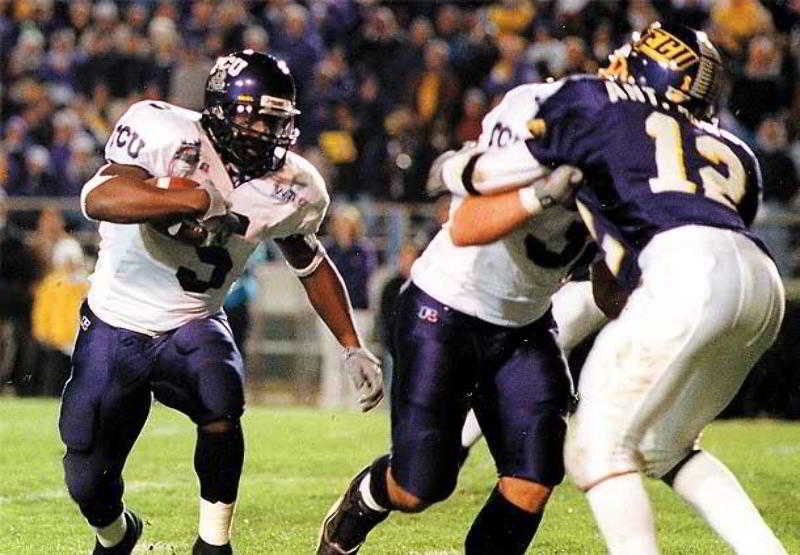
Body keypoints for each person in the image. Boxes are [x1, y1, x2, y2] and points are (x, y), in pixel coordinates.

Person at [436, 22, 787, 554]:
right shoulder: (736, 149)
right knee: (667, 448)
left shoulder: (597, 101)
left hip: (683, 269)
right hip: (761, 283)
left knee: (597, 454)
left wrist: (457, 170)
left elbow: (494, 175)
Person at [59, 50, 383, 555]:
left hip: (193, 319)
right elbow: (97, 199)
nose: (267, 132)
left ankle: (214, 542)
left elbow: (310, 261)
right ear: (221, 108)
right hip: (115, 321)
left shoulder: (295, 185)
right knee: (85, 475)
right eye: (257, 117)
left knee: (220, 399)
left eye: (279, 120)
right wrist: (185, 200)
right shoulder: (164, 132)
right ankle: (117, 533)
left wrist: (351, 345)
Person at [317, 77, 593, 554]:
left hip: (525, 324)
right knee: (419, 487)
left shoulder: (635, 166)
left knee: (534, 476)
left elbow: (610, 287)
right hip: (445, 310)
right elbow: (465, 225)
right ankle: (360, 504)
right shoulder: (539, 111)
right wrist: (544, 195)